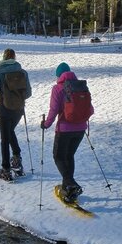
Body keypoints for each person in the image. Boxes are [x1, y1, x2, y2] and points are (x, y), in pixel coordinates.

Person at [40, 62, 94, 203]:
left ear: (59, 76)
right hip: (80, 129)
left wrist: (46, 124)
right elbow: (91, 109)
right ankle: (67, 188)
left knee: (58, 156)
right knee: (69, 156)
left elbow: (53, 110)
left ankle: (71, 184)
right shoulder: (80, 87)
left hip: (64, 130)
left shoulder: (58, 88)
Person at [0, 48, 32, 181]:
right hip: (18, 109)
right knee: (10, 131)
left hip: (4, 109)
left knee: (5, 139)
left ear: (4, 57)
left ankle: (6, 169)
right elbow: (28, 93)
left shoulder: (0, 72)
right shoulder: (22, 72)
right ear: (14, 57)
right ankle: (17, 160)